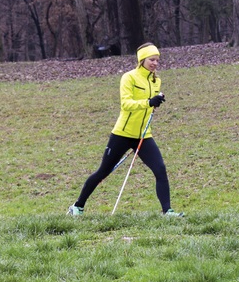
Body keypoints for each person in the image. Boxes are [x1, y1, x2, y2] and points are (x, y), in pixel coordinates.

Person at [68, 43, 183, 217]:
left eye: (157, 60)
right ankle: (78, 206)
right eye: (152, 59)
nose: (155, 63)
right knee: (103, 172)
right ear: (142, 60)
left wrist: (156, 101)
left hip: (144, 135)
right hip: (122, 134)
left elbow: (149, 105)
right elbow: (126, 104)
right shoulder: (129, 77)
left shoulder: (156, 81)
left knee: (160, 169)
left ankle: (167, 211)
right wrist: (148, 102)